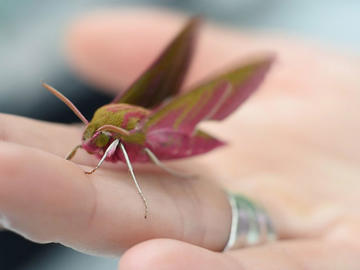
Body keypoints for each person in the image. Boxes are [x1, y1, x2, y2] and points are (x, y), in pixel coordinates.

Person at [0, 9, 359, 269]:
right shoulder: (99, 134)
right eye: (89, 135)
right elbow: (88, 141)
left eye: (97, 136)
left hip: (173, 136)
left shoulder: (132, 135)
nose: (89, 142)